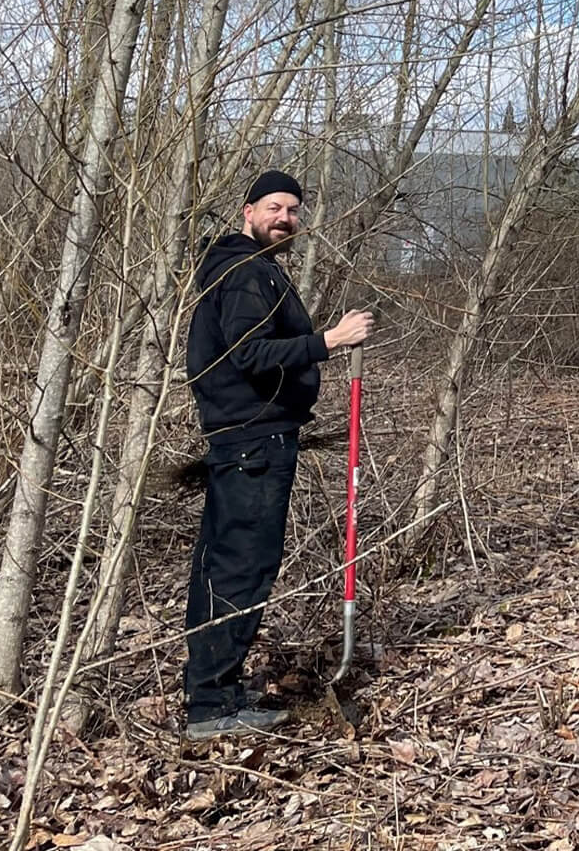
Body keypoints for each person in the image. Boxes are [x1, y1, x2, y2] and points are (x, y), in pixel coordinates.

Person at [180, 170, 374, 740]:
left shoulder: (250, 270)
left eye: (292, 210)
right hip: (252, 443)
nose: (284, 218)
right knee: (242, 567)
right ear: (247, 212)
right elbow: (250, 353)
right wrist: (329, 342)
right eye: (273, 207)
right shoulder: (244, 275)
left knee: (225, 565)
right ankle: (213, 708)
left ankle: (215, 690)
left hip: (248, 440)